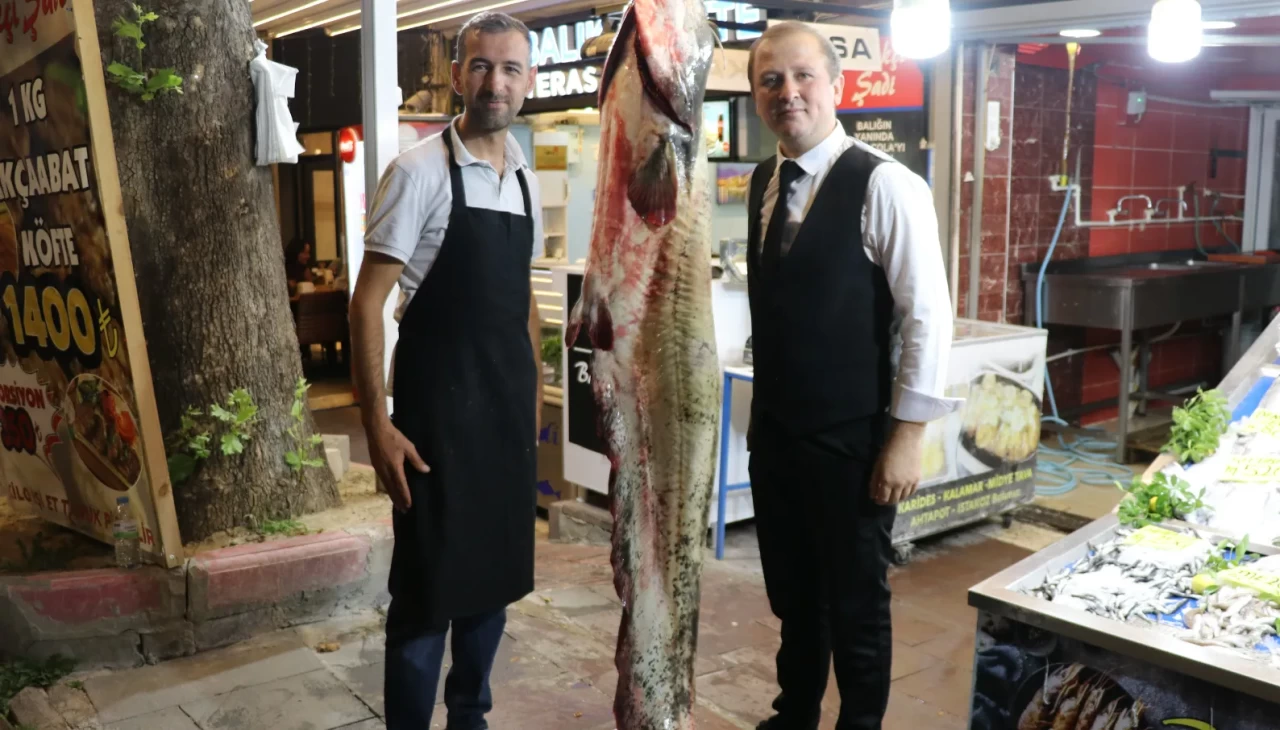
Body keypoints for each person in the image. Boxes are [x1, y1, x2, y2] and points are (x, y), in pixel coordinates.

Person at [743, 22, 961, 730]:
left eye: (803, 76)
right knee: (794, 599)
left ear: (836, 86)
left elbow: (928, 318)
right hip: (776, 436)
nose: (788, 92)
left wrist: (906, 439)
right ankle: (793, 715)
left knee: (857, 604)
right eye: (770, 80)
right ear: (754, 96)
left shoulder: (886, 183)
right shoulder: (762, 182)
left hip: (852, 440)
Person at [348, 11, 543, 729]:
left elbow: (522, 307)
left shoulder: (525, 181)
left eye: (511, 68)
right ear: (457, 75)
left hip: (504, 424)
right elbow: (366, 305)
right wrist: (379, 425)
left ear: (529, 80)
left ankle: (470, 716)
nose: (496, 82)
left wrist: (535, 409)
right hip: (433, 423)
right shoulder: (418, 172)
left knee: (493, 582)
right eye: (482, 66)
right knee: (428, 593)